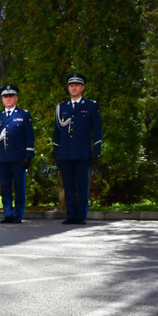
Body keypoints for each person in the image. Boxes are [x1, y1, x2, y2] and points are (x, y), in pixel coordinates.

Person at [52, 73, 102, 225]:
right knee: (68, 186)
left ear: (82, 88)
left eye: (76, 85)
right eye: (71, 85)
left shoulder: (91, 106)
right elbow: (57, 131)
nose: (73, 88)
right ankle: (71, 215)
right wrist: (56, 152)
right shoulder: (61, 107)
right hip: (65, 153)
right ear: (68, 88)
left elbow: (97, 129)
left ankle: (81, 216)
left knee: (82, 186)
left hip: (82, 153)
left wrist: (96, 151)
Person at [0, 84, 35, 224]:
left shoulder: (23, 114)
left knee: (19, 188)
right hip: (3, 158)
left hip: (18, 158)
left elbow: (29, 136)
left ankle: (18, 215)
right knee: (5, 188)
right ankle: (8, 213)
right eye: (5, 97)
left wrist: (28, 155)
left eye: (11, 96)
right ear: (2, 99)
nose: (8, 99)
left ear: (16, 98)